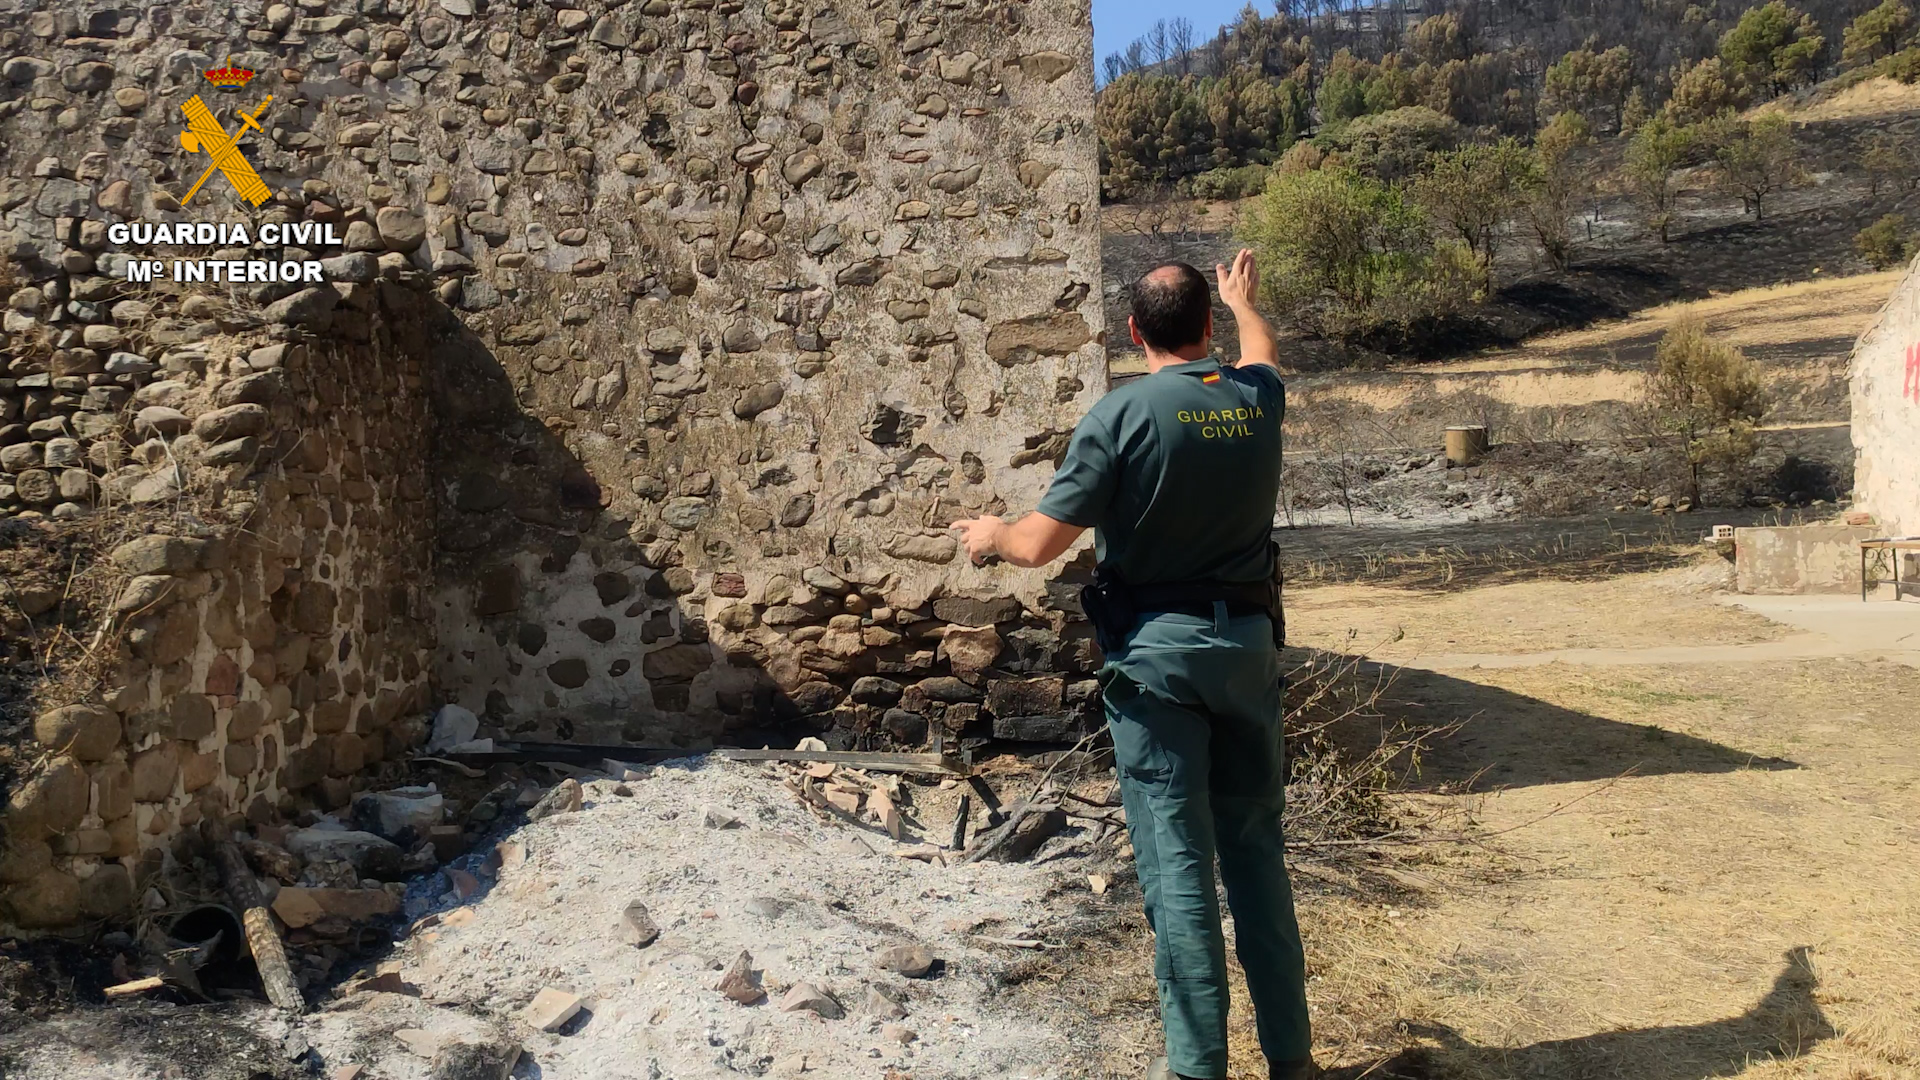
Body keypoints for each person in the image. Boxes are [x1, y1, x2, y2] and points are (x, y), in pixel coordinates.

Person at [950, 250, 1313, 1080]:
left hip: (1158, 668)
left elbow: (1038, 545)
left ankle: (1196, 1066)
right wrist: (1244, 303)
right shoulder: (1254, 400)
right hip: (1248, 650)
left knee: (1178, 865)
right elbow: (1265, 354)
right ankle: (1292, 1060)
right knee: (1257, 855)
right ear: (1207, 325)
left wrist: (991, 535)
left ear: (1132, 331)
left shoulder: (1119, 417)